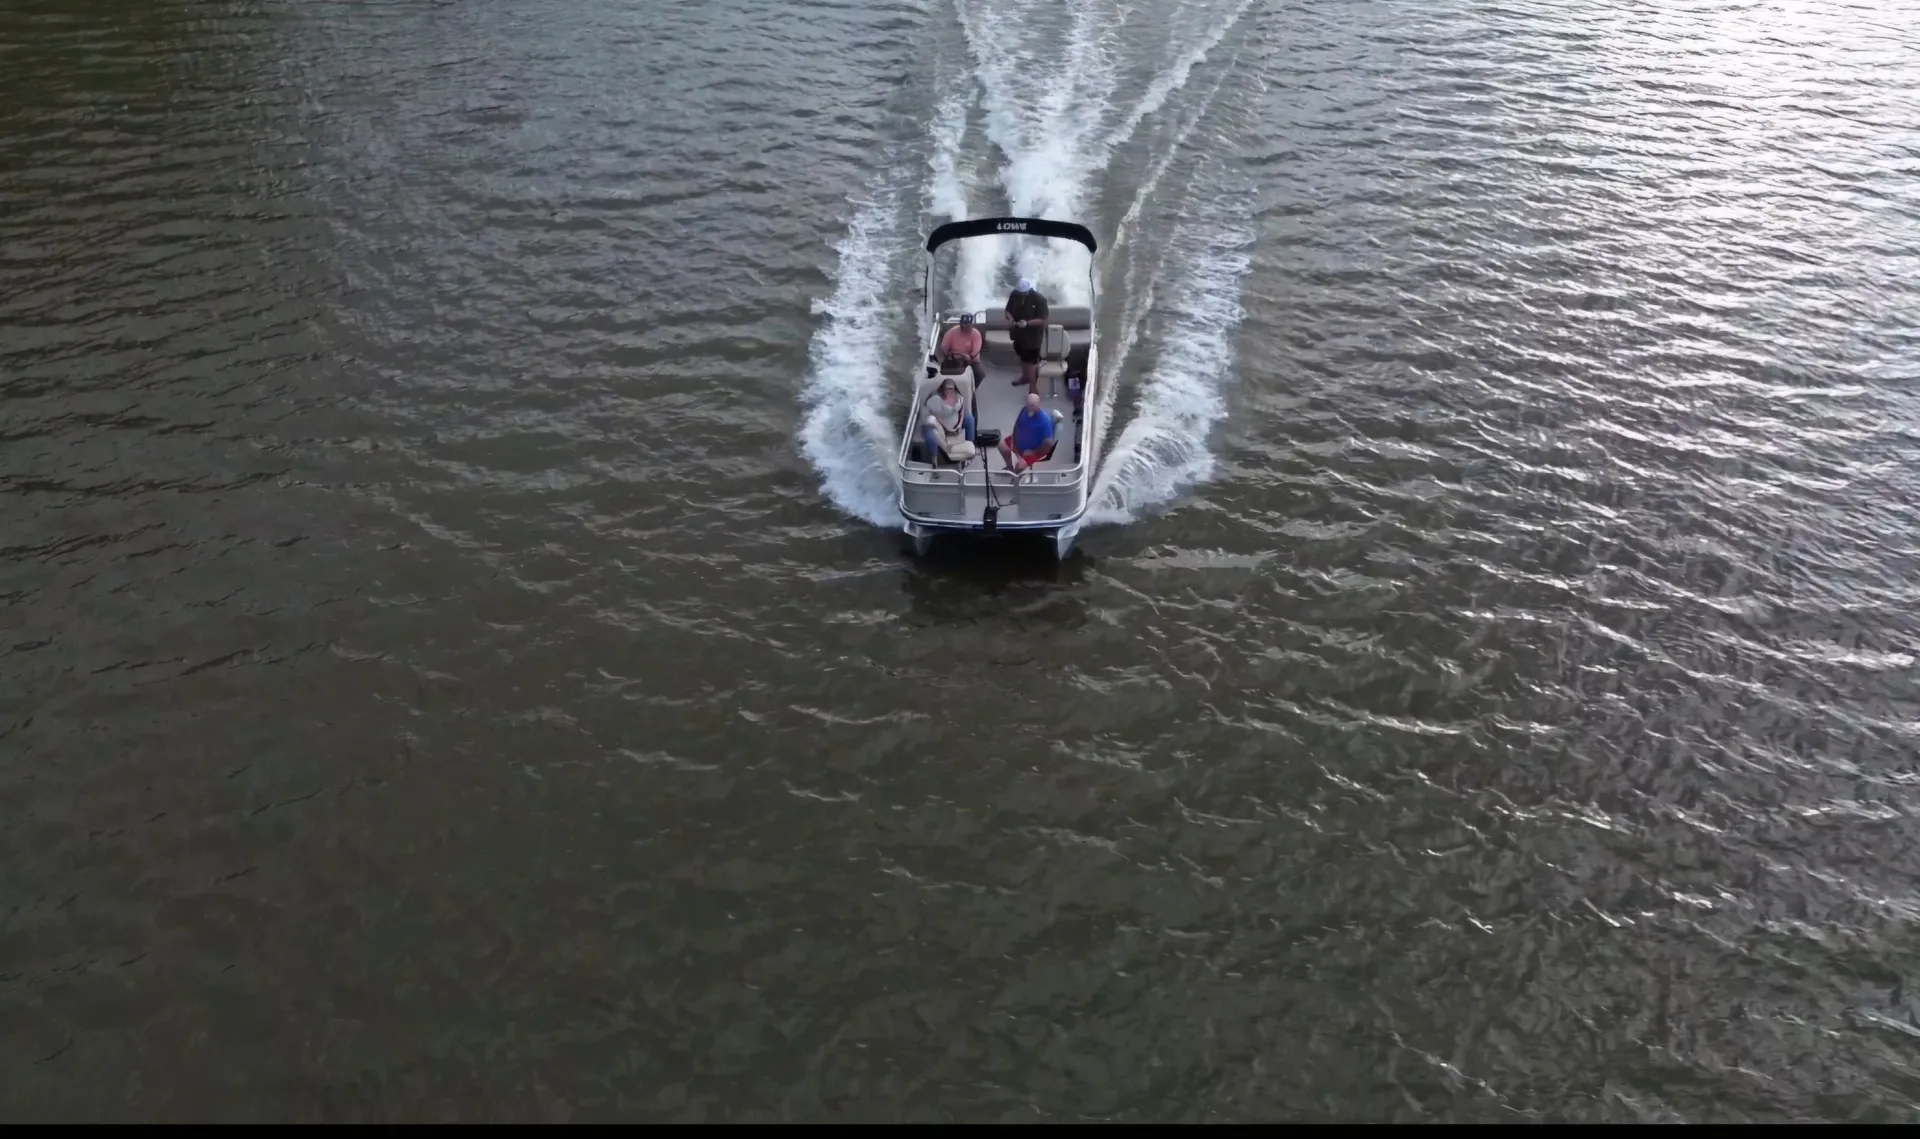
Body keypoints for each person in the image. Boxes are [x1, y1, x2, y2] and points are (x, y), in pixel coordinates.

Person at [1003, 277, 1049, 392]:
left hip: (1033, 339)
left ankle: (1033, 388)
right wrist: (1011, 320)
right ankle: (1025, 377)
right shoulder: (1015, 294)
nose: (1022, 295)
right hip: (1018, 336)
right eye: (1020, 293)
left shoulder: (1040, 300)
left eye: (1024, 293)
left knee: (1032, 363)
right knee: (1023, 359)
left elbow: (1043, 320)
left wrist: (1027, 323)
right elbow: (1007, 311)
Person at [922, 376, 977, 465]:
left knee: (970, 419)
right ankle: (934, 459)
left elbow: (961, 412)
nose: (949, 391)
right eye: (947, 389)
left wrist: (957, 425)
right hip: (940, 425)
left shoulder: (959, 398)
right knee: (929, 433)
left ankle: (970, 445)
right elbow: (931, 413)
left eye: (951, 389)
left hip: (955, 425)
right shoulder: (935, 399)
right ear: (943, 388)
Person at [998, 391, 1055, 475]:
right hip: (1017, 443)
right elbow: (1017, 425)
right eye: (1028, 405)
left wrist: (1033, 452)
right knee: (1001, 445)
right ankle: (1010, 467)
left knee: (1020, 466)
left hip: (1029, 451)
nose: (1029, 408)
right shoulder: (1024, 410)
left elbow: (1049, 444)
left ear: (1039, 404)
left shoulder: (1045, 421)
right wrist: (1013, 441)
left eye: (1032, 406)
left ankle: (1015, 477)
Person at [936, 312, 984, 384]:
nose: (964, 326)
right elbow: (944, 348)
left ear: (971, 324)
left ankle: (972, 388)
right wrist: (953, 355)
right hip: (953, 358)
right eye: (963, 324)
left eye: (967, 324)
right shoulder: (952, 333)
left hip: (970, 360)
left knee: (980, 374)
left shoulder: (976, 334)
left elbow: (975, 351)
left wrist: (967, 358)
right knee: (942, 372)